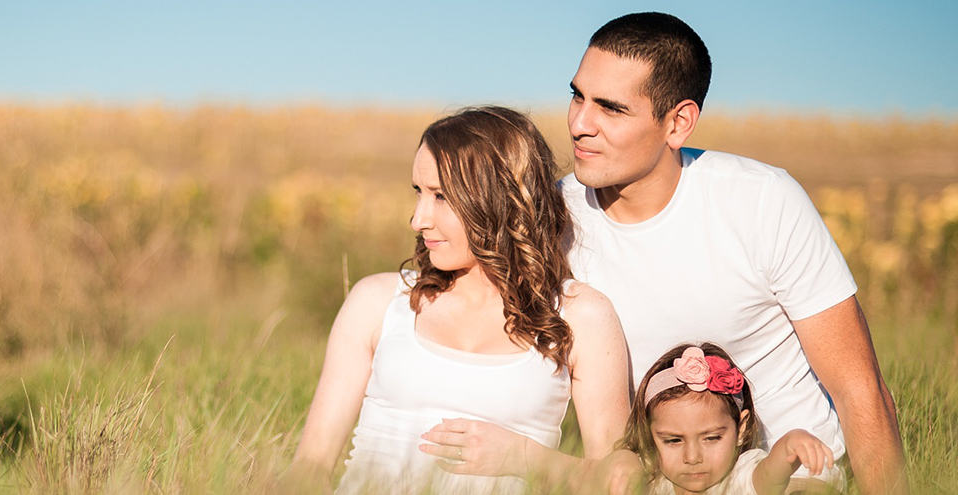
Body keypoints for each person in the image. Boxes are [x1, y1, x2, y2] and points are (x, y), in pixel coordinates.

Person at [419, 12, 907, 494]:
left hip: (790, 477)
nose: (580, 123)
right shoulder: (551, 219)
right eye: (577, 95)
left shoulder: (763, 201)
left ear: (678, 123)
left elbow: (858, 389)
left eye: (611, 108)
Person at [290, 106, 631, 494]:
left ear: (500, 198)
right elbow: (311, 465)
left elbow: (618, 481)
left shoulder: (580, 316)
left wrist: (524, 457)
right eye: (419, 192)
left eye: (441, 196)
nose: (418, 219)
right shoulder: (378, 301)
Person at [605, 343, 837, 495]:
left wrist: (790, 444)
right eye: (673, 441)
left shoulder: (741, 478)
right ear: (649, 434)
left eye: (712, 438)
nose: (692, 457)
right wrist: (625, 459)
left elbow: (770, 477)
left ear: (742, 429)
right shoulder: (653, 483)